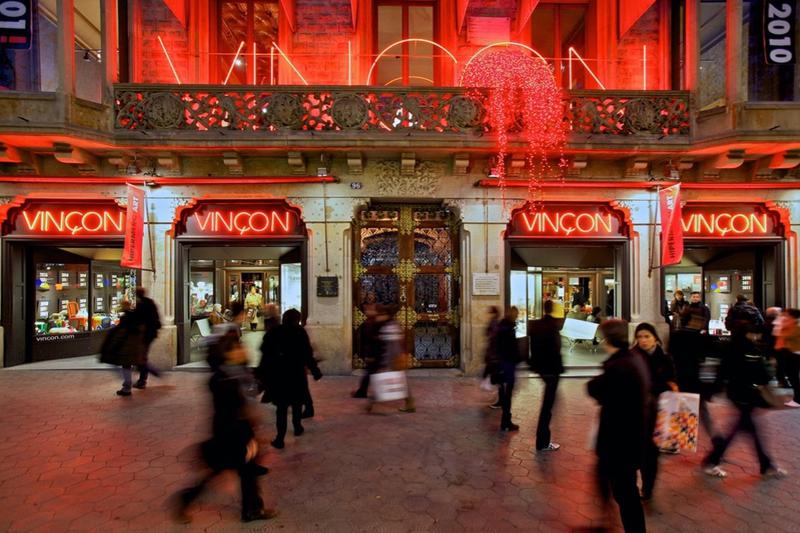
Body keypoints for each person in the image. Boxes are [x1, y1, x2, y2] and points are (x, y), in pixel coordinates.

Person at [175, 329, 275, 523]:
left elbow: (252, 391)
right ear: (227, 354)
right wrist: (248, 439)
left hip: (233, 432)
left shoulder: (234, 374)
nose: (242, 349)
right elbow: (231, 411)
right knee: (244, 472)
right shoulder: (223, 380)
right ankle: (251, 510)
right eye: (237, 347)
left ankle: (188, 498)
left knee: (232, 471)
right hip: (232, 434)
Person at [587, 320, 650, 533]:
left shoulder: (620, 366)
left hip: (621, 442)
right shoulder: (632, 360)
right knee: (614, 483)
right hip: (626, 440)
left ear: (608, 339)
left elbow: (597, 389)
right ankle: (605, 519)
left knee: (626, 493)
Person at [702, 324, 788, 479]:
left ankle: (764, 465)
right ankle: (713, 461)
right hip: (743, 396)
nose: (756, 337)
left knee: (748, 429)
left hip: (743, 395)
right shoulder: (743, 349)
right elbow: (730, 371)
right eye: (753, 334)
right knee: (744, 429)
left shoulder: (745, 348)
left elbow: (724, 372)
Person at [257, 309, 322, 449]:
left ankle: (280, 438)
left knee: (281, 408)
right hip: (296, 374)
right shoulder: (300, 333)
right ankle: (297, 426)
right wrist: (315, 371)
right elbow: (307, 354)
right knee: (297, 404)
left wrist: (261, 374)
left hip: (279, 376)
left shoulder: (274, 332)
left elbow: (265, 354)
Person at [631, 323, 677, 501]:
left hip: (658, 412)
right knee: (635, 451)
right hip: (636, 412)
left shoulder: (665, 358)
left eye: (646, 336)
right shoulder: (633, 357)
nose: (642, 340)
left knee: (651, 454)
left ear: (655, 338)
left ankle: (648, 488)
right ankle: (633, 485)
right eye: (639, 337)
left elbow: (671, 381)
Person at [529, 300, 564, 452]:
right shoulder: (553, 326)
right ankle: (543, 442)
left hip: (542, 368)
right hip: (552, 369)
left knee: (547, 406)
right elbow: (557, 348)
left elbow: (533, 347)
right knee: (547, 408)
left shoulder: (537, 325)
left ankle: (543, 440)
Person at [100, 300, 145, 397]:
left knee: (126, 366)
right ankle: (131, 384)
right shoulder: (136, 316)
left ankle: (127, 387)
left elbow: (121, 333)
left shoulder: (125, 318)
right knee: (130, 365)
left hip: (127, 347)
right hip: (134, 346)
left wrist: (114, 346)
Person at [495, 307, 521, 431]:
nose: (517, 316)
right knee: (508, 394)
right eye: (516, 314)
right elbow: (510, 347)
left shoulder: (503, 326)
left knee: (505, 393)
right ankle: (506, 421)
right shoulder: (508, 328)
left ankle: (506, 420)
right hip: (507, 365)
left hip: (503, 364)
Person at [131, 287, 162, 389]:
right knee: (142, 356)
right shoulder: (150, 303)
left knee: (141, 357)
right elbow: (157, 318)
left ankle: (145, 378)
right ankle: (148, 374)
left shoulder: (141, 305)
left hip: (144, 335)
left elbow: (137, 320)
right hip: (150, 334)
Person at [352, 303, 382, 399]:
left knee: (370, 374)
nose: (367, 311)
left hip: (376, 353)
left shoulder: (376, 323)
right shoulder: (368, 322)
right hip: (373, 353)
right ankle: (363, 392)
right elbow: (366, 340)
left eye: (370, 309)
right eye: (366, 309)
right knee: (370, 373)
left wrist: (371, 355)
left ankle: (364, 392)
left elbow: (376, 340)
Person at [774, 308, 800, 408]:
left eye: (787, 315)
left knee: (794, 377)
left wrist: (783, 327)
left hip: (795, 354)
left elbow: (783, 337)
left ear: (792, 316)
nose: (784, 316)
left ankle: (798, 400)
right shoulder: (793, 325)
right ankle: (797, 399)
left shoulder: (795, 326)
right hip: (793, 353)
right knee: (793, 377)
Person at [482, 306, 502, 409]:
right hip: (494, 355)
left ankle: (501, 400)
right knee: (497, 378)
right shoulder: (495, 322)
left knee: (498, 378)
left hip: (494, 355)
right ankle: (500, 398)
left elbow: (492, 337)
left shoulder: (494, 323)